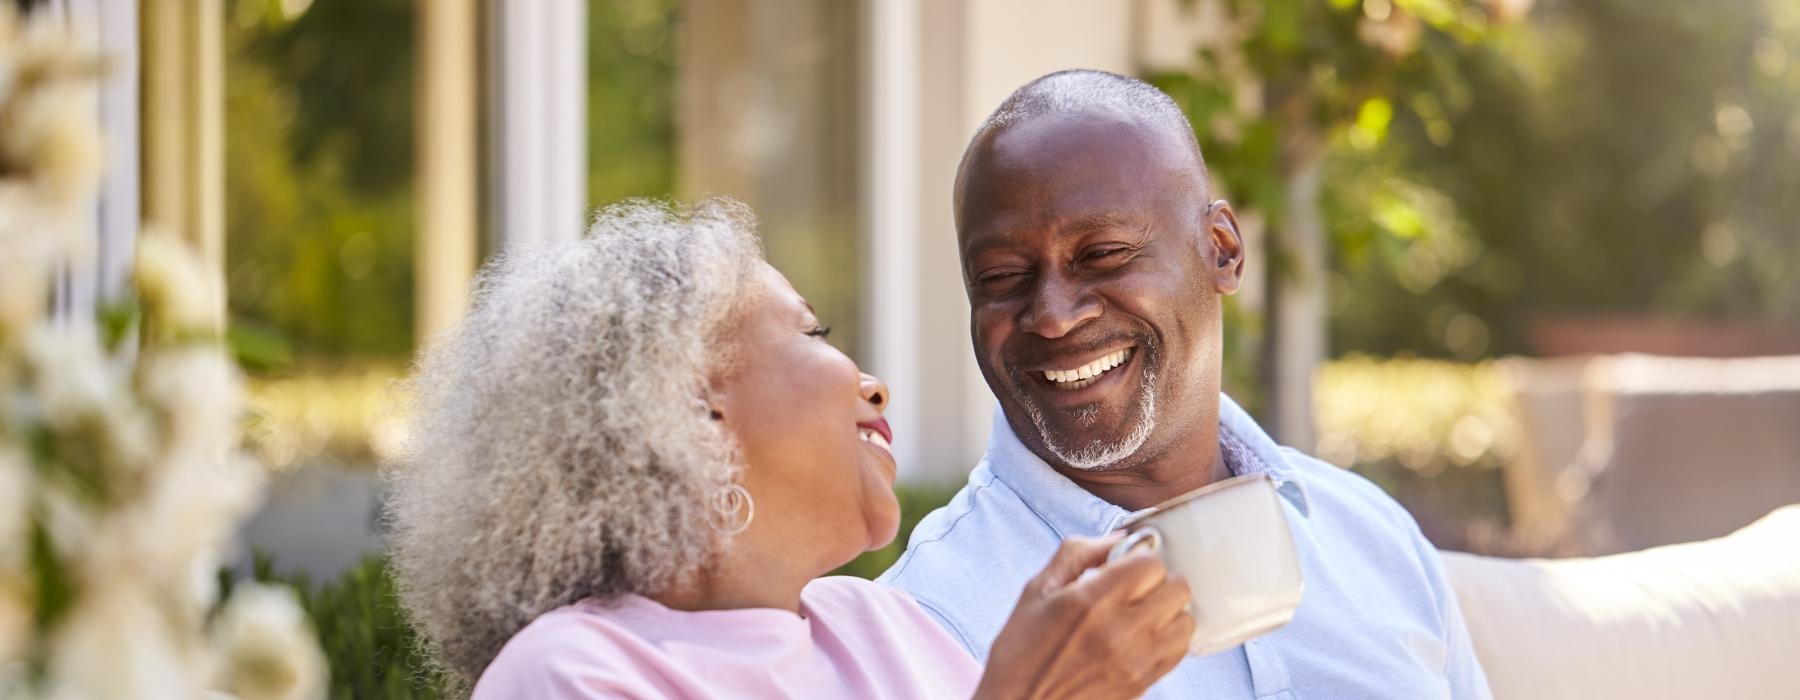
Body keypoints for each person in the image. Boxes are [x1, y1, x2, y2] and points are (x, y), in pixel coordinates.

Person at [385, 199, 1196, 699]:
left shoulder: (885, 628)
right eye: (813, 333)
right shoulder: (573, 675)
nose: (874, 386)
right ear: (690, 411)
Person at [880, 69, 1493, 698]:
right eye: (1002, 275)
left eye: (1103, 254)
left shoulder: (1371, 537)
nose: (1054, 315)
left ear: (1222, 251)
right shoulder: (924, 619)